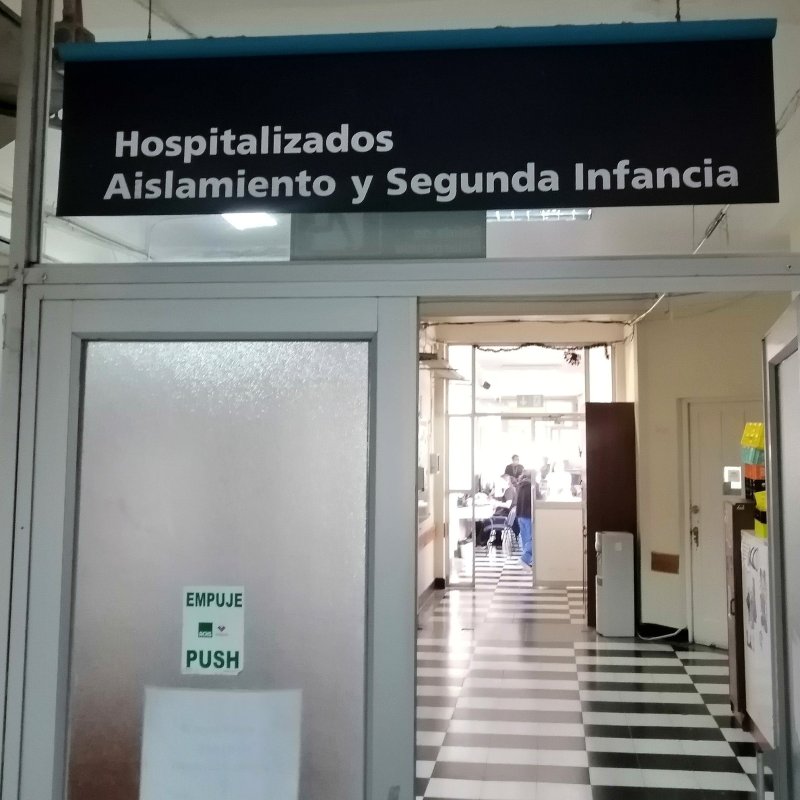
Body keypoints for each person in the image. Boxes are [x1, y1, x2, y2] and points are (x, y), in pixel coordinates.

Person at [516, 469, 535, 571]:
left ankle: (528, 560)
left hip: (520, 515)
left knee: (525, 538)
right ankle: (525, 559)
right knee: (532, 538)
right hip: (529, 515)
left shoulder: (520, 485)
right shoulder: (532, 486)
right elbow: (537, 499)